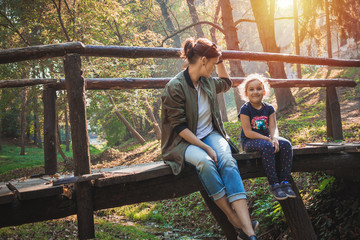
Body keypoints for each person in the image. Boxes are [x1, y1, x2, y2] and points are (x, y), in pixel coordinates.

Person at [161, 37, 257, 240]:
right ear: (203, 60)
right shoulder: (175, 86)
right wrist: (206, 148)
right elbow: (179, 127)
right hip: (183, 141)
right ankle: (233, 218)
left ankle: (248, 231)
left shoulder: (207, 82)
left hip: (210, 134)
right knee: (205, 163)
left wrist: (220, 58)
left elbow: (226, 83)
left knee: (228, 162)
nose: (215, 69)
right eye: (213, 64)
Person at [238, 74, 296, 200]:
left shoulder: (269, 108)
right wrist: (268, 139)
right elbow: (248, 132)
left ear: (264, 91)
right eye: (251, 89)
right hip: (250, 142)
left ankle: (285, 182)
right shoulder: (245, 109)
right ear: (246, 93)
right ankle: (274, 184)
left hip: (267, 140)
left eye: (258, 89)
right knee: (267, 146)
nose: (255, 92)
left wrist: (274, 138)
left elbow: (273, 128)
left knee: (286, 144)